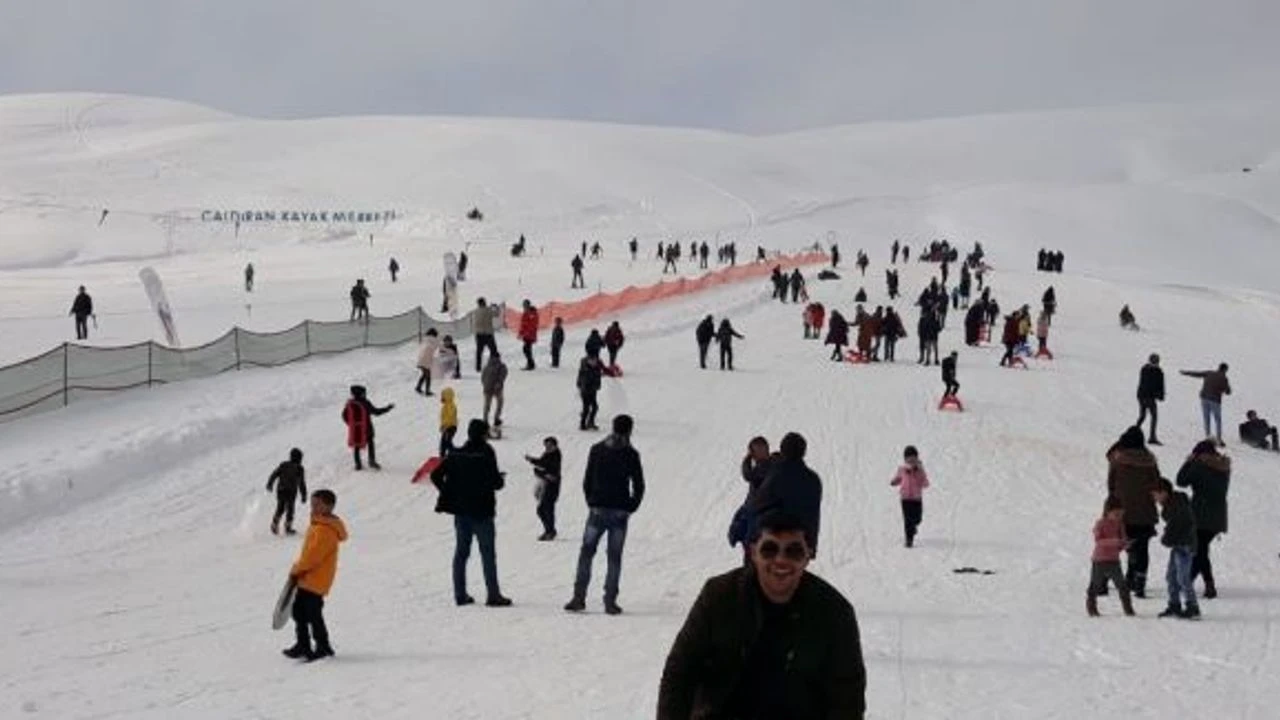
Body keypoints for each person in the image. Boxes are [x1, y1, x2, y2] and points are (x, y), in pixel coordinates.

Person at [657, 511, 866, 718]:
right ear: (753, 553)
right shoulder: (719, 597)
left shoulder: (834, 613)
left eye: (793, 551)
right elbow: (680, 672)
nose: (781, 560)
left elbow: (847, 698)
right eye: (769, 549)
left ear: (808, 556)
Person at [565, 414, 645, 615]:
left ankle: (578, 597)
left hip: (597, 510)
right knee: (614, 557)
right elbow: (639, 485)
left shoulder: (597, 450)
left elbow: (587, 480)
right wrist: (631, 506)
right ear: (629, 430)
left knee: (586, 553)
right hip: (619, 512)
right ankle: (610, 601)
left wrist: (591, 501)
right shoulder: (631, 454)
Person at [430, 419, 513, 608]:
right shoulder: (486, 453)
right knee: (487, 554)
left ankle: (460, 594)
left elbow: (435, 475)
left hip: (461, 511)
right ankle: (493, 595)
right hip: (482, 511)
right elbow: (496, 484)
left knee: (461, 553)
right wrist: (500, 479)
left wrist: (448, 492)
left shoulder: (456, 454)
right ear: (484, 434)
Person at [282, 488, 347, 662]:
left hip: (315, 579)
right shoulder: (318, 525)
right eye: (313, 504)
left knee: (312, 614)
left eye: (318, 504)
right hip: (308, 578)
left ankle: (323, 646)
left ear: (329, 506)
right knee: (299, 612)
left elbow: (313, 557)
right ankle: (303, 644)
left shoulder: (326, 530)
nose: (313, 507)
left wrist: (297, 569)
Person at [1107, 427, 1161, 597]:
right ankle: (1139, 583)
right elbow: (1156, 483)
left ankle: (1105, 579)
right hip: (1145, 512)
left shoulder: (1118, 460)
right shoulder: (1150, 461)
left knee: (1120, 544)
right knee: (1142, 547)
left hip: (1122, 512)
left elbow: (1111, 484)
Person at [751, 433, 822, 553]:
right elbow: (814, 514)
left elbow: (758, 503)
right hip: (802, 543)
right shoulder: (813, 479)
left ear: (782, 450)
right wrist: (812, 546)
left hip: (775, 540)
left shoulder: (777, 473)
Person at [1176, 440, 1230, 599]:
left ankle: (1189, 580)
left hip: (1200, 514)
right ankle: (1208, 584)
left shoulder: (1199, 466)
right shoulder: (1223, 467)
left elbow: (1181, 481)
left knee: (1199, 550)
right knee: (1202, 550)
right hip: (1219, 515)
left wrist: (1188, 462)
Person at [1152, 478, 1199, 619]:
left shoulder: (1177, 505)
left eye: (1156, 494)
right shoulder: (1173, 504)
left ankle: (1193, 607)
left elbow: (1178, 524)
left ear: (1164, 493)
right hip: (1178, 545)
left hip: (1185, 545)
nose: (1154, 498)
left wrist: (1167, 539)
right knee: (1171, 576)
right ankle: (1174, 605)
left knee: (1183, 577)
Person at [1087, 496, 1135, 617]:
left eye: (1121, 514)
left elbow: (1121, 541)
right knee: (1095, 584)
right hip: (1099, 560)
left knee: (1122, 585)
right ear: (1108, 512)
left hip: (1114, 560)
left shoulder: (1120, 524)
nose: (1119, 517)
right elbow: (1099, 541)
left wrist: (1125, 545)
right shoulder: (1100, 523)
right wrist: (1116, 541)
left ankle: (1128, 608)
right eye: (1116, 514)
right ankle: (1091, 607)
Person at [342, 385, 393, 471]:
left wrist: (352, 425)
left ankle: (358, 464)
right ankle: (371, 461)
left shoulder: (350, 404)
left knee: (356, 446)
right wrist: (388, 408)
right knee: (370, 443)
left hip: (356, 430)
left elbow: (344, 416)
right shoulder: (365, 403)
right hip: (367, 428)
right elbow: (376, 412)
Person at [1181, 363, 1231, 445]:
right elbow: (1228, 392)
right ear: (1225, 370)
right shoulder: (1224, 378)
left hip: (1204, 398)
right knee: (1217, 420)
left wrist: (1185, 372)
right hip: (1215, 400)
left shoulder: (1209, 373)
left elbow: (1197, 374)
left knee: (1206, 418)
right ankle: (1219, 439)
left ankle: (1207, 437)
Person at [890, 446, 930, 547]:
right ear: (905, 459)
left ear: (917, 458)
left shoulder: (920, 470)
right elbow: (898, 478)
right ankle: (909, 539)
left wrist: (918, 473)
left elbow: (925, 483)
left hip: (916, 498)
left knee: (917, 518)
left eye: (913, 458)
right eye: (908, 458)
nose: (911, 461)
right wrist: (894, 482)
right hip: (905, 498)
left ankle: (914, 527)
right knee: (907, 519)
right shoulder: (902, 469)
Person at [527, 437, 562, 541]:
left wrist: (540, 472)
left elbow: (551, 472)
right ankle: (549, 530)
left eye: (549, 445)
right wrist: (532, 460)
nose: (547, 447)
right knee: (543, 509)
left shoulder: (556, 456)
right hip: (546, 485)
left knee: (546, 509)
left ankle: (550, 531)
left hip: (552, 487)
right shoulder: (548, 454)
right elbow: (542, 464)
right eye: (546, 445)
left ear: (555, 445)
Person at [266, 448, 307, 536]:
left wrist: (270, 484)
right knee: (290, 509)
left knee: (281, 507)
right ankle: (287, 527)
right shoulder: (299, 468)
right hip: (291, 491)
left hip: (281, 489)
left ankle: (275, 524)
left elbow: (274, 474)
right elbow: (302, 483)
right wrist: (304, 495)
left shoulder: (284, 465)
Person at [1136, 354, 1165, 445]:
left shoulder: (1144, 369)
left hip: (1141, 396)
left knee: (1143, 416)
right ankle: (1152, 437)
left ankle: (1135, 431)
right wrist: (1160, 396)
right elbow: (1159, 385)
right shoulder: (1158, 371)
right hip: (1149, 397)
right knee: (1154, 416)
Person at [481, 352, 508, 432]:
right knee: (500, 403)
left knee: (487, 405)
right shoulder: (502, 366)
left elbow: (483, 377)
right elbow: (502, 376)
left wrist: (485, 385)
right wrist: (499, 384)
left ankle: (485, 420)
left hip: (487, 388)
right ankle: (496, 419)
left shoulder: (486, 366)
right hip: (497, 389)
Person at [472, 298, 499, 373]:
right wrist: (495, 307)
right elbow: (497, 314)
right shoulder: (489, 310)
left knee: (479, 352)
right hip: (488, 333)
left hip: (479, 334)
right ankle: (494, 364)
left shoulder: (475, 311)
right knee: (493, 350)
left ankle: (478, 367)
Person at [577, 354, 603, 431]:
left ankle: (590, 422)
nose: (594, 363)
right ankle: (583, 424)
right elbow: (581, 380)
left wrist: (597, 385)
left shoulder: (596, 368)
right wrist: (582, 387)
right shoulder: (585, 370)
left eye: (595, 361)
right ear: (588, 361)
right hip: (586, 391)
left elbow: (598, 378)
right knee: (587, 408)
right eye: (592, 361)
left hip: (593, 390)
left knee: (594, 407)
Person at [415, 328, 440, 395]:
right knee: (428, 376)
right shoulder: (434, 341)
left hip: (420, 359)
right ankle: (427, 391)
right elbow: (438, 348)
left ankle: (418, 387)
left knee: (424, 374)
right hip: (426, 360)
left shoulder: (425, 340)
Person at [517, 300, 539, 370]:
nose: (524, 307)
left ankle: (531, 364)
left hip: (530, 334)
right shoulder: (526, 313)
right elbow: (523, 325)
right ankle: (530, 363)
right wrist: (520, 333)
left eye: (525, 305)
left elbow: (532, 325)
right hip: (526, 335)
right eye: (523, 306)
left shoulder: (532, 313)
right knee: (526, 349)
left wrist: (525, 332)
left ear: (528, 305)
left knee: (526, 349)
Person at [440, 387, 459, 457]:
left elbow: (450, 417)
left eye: (443, 396)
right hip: (447, 426)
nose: (441, 398)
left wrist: (445, 426)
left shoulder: (451, 406)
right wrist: (442, 425)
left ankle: (453, 453)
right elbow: (444, 417)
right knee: (444, 441)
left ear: (447, 397)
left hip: (451, 427)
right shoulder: (446, 405)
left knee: (447, 442)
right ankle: (442, 454)